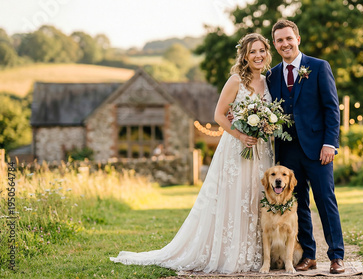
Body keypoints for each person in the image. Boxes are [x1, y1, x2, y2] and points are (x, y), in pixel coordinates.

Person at [110, 33, 274, 273]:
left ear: (267, 53)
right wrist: (240, 135)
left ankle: (255, 254)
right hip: (237, 148)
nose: (258, 56)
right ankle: (231, 254)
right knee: (235, 198)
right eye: (252, 52)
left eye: (261, 51)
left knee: (255, 198)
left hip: (262, 148)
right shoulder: (236, 80)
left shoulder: (270, 81)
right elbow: (219, 115)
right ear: (245, 56)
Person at [266, 19, 345, 274]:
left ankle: (336, 256)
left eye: (288, 38)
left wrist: (330, 144)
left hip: (318, 149)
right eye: (279, 40)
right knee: (298, 205)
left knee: (326, 200)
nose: (285, 43)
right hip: (287, 153)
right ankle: (309, 255)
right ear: (275, 45)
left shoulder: (319, 67)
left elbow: (332, 108)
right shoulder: (273, 75)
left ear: (297, 39)